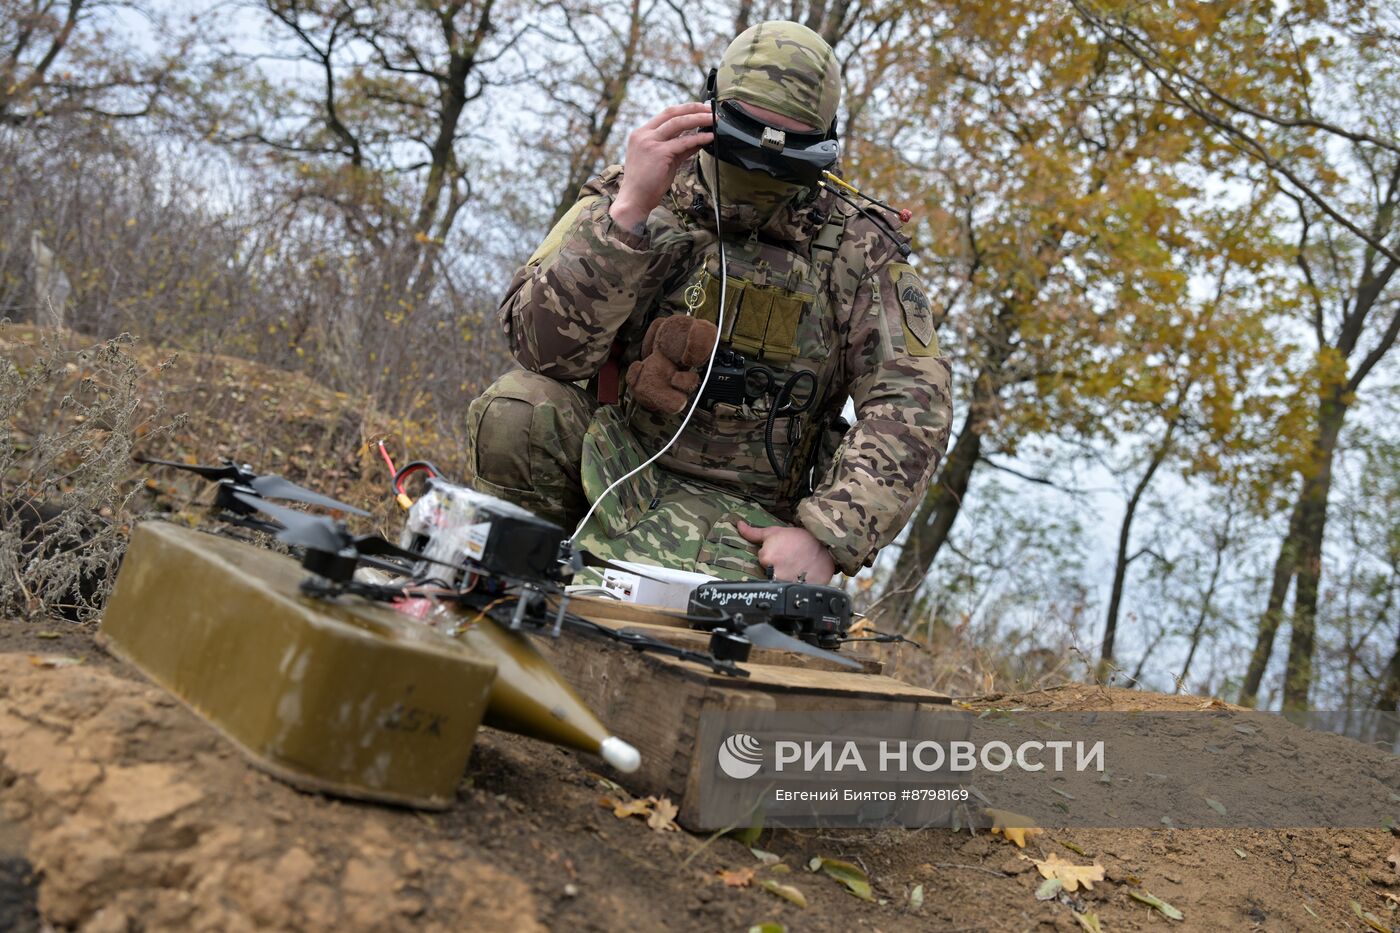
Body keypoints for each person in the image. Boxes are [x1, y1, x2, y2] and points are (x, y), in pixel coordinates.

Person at [464, 20, 952, 586]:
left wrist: (826, 536)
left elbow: (913, 402)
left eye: (790, 146)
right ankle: (522, 584)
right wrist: (626, 217)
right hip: (614, 465)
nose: (762, 164)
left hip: (758, 521)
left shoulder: (860, 248)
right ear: (711, 106)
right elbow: (544, 354)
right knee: (518, 409)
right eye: (749, 132)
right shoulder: (639, 191)